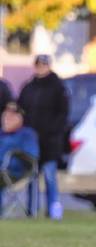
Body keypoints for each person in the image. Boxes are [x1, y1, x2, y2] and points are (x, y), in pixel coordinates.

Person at [17, 54, 69, 220]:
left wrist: (53, 132)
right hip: (31, 142)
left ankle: (53, 211)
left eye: (44, 65)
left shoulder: (58, 88)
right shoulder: (29, 88)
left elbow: (63, 114)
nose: (41, 68)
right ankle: (32, 211)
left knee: (50, 177)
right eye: (38, 65)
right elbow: (21, 111)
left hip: (50, 142)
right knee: (32, 177)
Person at [0, 102, 39, 214]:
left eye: (11, 116)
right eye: (6, 115)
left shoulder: (27, 135)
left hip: (15, 172)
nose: (7, 119)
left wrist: (11, 157)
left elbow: (32, 157)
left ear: (20, 118)